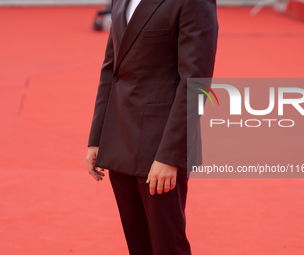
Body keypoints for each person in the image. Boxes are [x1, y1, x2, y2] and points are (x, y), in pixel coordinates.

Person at [86, 0, 218, 254]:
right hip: (120, 138)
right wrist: (97, 137)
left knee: (168, 246)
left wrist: (171, 156)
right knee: (139, 245)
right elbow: (111, 69)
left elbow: (195, 83)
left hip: (161, 144)